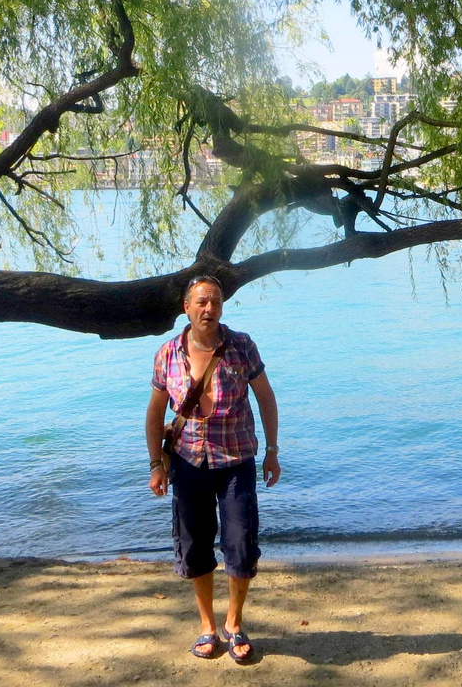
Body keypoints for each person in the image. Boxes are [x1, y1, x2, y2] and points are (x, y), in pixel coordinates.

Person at [146, 275, 280, 663]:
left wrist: (272, 451)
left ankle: (234, 623)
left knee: (240, 544)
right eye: (202, 302)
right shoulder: (168, 353)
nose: (209, 309)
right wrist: (157, 463)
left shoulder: (241, 347)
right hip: (188, 463)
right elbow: (155, 413)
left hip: (236, 461)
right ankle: (207, 625)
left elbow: (266, 397)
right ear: (186, 308)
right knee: (194, 545)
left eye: (216, 302)